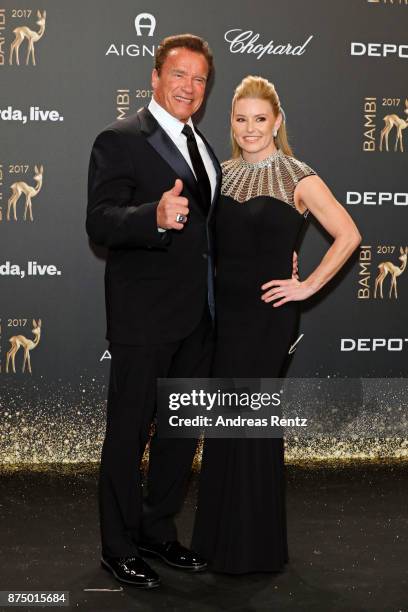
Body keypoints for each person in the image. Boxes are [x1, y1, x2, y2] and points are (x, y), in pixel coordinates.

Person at [192, 76, 361, 574]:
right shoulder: (218, 174)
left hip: (269, 315)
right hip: (224, 311)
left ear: (277, 121)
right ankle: (218, 541)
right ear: (232, 123)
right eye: (240, 119)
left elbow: (349, 233)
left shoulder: (297, 176)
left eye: (259, 118)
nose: (249, 128)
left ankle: (254, 548)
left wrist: (306, 286)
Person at [86, 34, 222, 588]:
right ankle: (116, 545)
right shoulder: (119, 139)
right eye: (179, 75)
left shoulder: (203, 144)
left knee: (180, 431)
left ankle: (156, 530)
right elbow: (100, 221)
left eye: (199, 79)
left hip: (197, 317)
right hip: (144, 318)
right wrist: (153, 217)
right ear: (155, 78)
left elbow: (208, 229)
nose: (189, 87)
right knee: (129, 433)